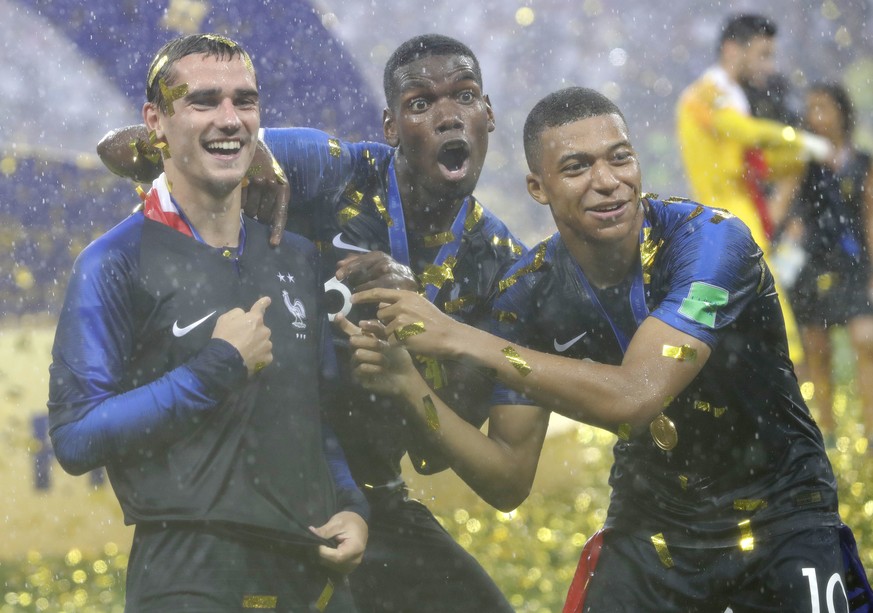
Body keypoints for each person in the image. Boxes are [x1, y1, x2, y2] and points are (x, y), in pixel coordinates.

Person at [345, 87, 871, 611]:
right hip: (650, 531)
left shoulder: (712, 243)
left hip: (781, 519)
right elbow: (506, 480)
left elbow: (636, 397)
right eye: (576, 167)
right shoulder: (527, 293)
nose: (607, 182)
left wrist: (461, 337)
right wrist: (408, 384)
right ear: (538, 186)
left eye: (620, 158)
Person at [95, 34, 522, 613]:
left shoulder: (502, 264)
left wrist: (425, 334)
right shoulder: (336, 168)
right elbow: (117, 149)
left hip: (371, 501)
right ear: (391, 127)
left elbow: (442, 459)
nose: (449, 116)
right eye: (421, 103)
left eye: (465, 96)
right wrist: (253, 156)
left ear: (489, 115)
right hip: (252, 489)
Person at [49, 34, 367, 612]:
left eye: (245, 101)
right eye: (203, 101)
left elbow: (315, 421)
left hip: (313, 573)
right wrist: (216, 369)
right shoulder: (112, 262)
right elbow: (75, 436)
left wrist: (351, 505)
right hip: (190, 577)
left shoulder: (295, 255)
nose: (231, 120)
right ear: (156, 121)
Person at [676, 13, 833, 364]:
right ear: (733, 50)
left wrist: (797, 153)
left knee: (737, 306)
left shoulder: (729, 93)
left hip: (738, 209)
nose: (768, 65)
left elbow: (754, 159)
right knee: (761, 301)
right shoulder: (708, 93)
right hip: (726, 212)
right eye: (763, 55)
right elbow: (741, 132)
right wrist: (798, 140)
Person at [783, 82, 873, 448]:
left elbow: (869, 220)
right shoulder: (801, 163)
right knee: (816, 352)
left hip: (852, 265)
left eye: (823, 108)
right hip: (810, 267)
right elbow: (785, 213)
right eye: (811, 109)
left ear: (842, 112)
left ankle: (869, 434)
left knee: (865, 342)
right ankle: (827, 436)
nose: (815, 117)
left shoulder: (862, 163)